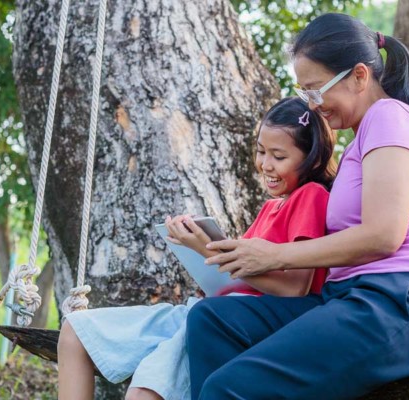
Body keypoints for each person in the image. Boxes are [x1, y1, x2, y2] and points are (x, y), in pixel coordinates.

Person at [186, 12, 409, 400]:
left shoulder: (390, 117)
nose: (312, 104)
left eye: (316, 90)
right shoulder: (360, 141)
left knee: (228, 389)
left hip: (407, 301)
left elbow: (385, 235)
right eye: (304, 94)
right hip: (352, 299)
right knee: (212, 321)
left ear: (360, 76)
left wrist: (274, 255)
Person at [57, 97, 336, 400]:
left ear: (313, 159)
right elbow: (240, 279)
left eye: (278, 156)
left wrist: (207, 249)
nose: (265, 164)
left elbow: (295, 288)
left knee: (142, 394)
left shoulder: (312, 196)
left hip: (229, 324)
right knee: (75, 331)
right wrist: (198, 252)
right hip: (208, 312)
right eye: (260, 151)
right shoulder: (270, 208)